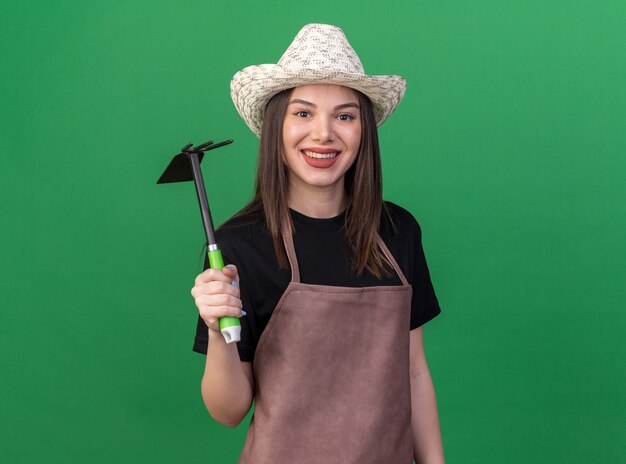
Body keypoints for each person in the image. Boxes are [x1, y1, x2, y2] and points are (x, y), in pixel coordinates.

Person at [191, 24, 445, 463]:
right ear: (277, 127)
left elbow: (414, 371)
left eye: (344, 116)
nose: (324, 134)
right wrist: (217, 330)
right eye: (303, 113)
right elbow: (228, 411)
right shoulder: (240, 245)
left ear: (363, 130)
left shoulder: (398, 231)